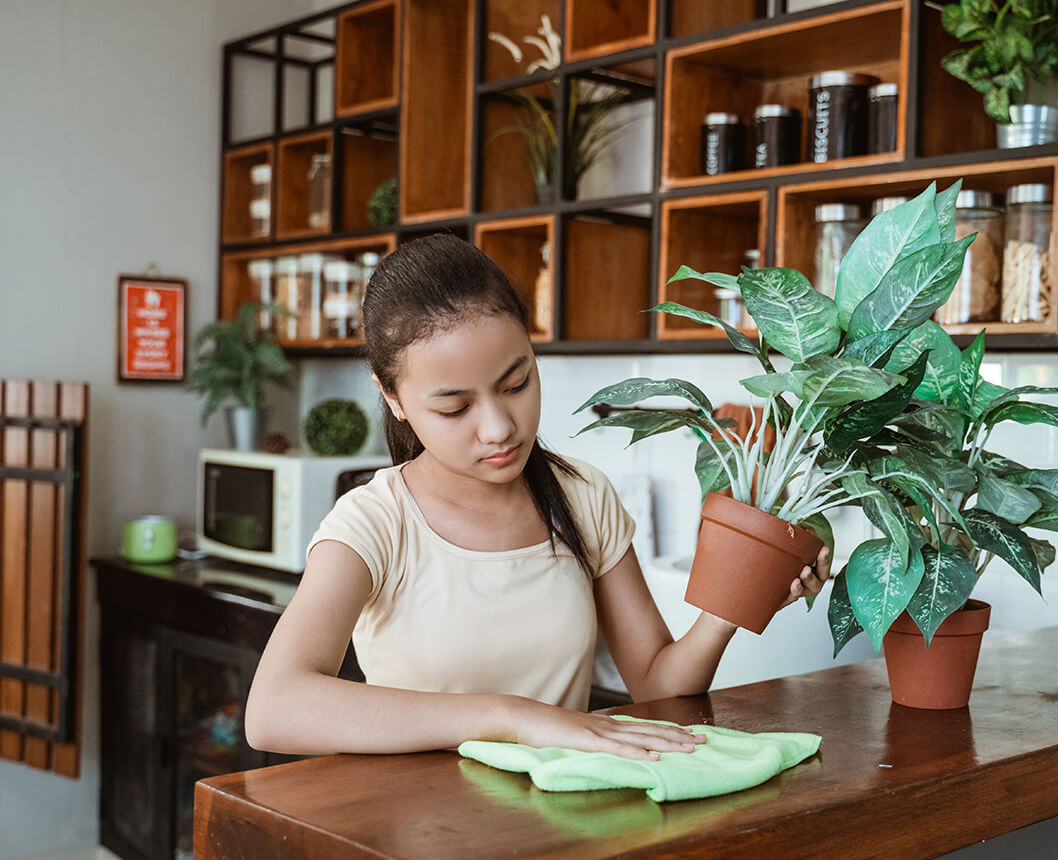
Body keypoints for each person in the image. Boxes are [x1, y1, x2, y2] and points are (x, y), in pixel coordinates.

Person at [244, 235, 832, 761]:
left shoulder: (581, 497)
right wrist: (511, 717)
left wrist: (732, 606)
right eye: (454, 408)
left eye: (517, 382)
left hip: (558, 825)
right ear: (392, 397)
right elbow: (274, 710)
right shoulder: (375, 522)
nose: (499, 426)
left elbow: (657, 685)